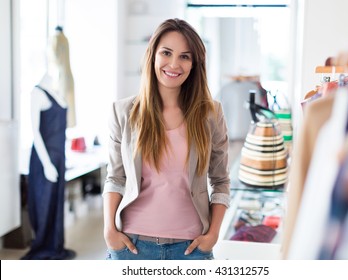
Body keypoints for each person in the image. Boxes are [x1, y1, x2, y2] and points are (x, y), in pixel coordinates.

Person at [103, 18, 231, 260]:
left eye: (185, 56)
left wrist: (213, 234)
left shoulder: (211, 113)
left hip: (191, 249)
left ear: (195, 64)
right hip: (132, 246)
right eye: (166, 53)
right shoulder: (122, 112)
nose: (174, 64)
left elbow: (221, 180)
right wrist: (109, 230)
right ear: (153, 54)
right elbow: (116, 178)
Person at [21, 26, 76, 260]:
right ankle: (43, 246)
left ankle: (55, 245)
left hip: (59, 156)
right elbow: (36, 132)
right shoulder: (37, 93)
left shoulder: (57, 92)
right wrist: (46, 164)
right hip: (44, 159)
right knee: (43, 205)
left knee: (56, 205)